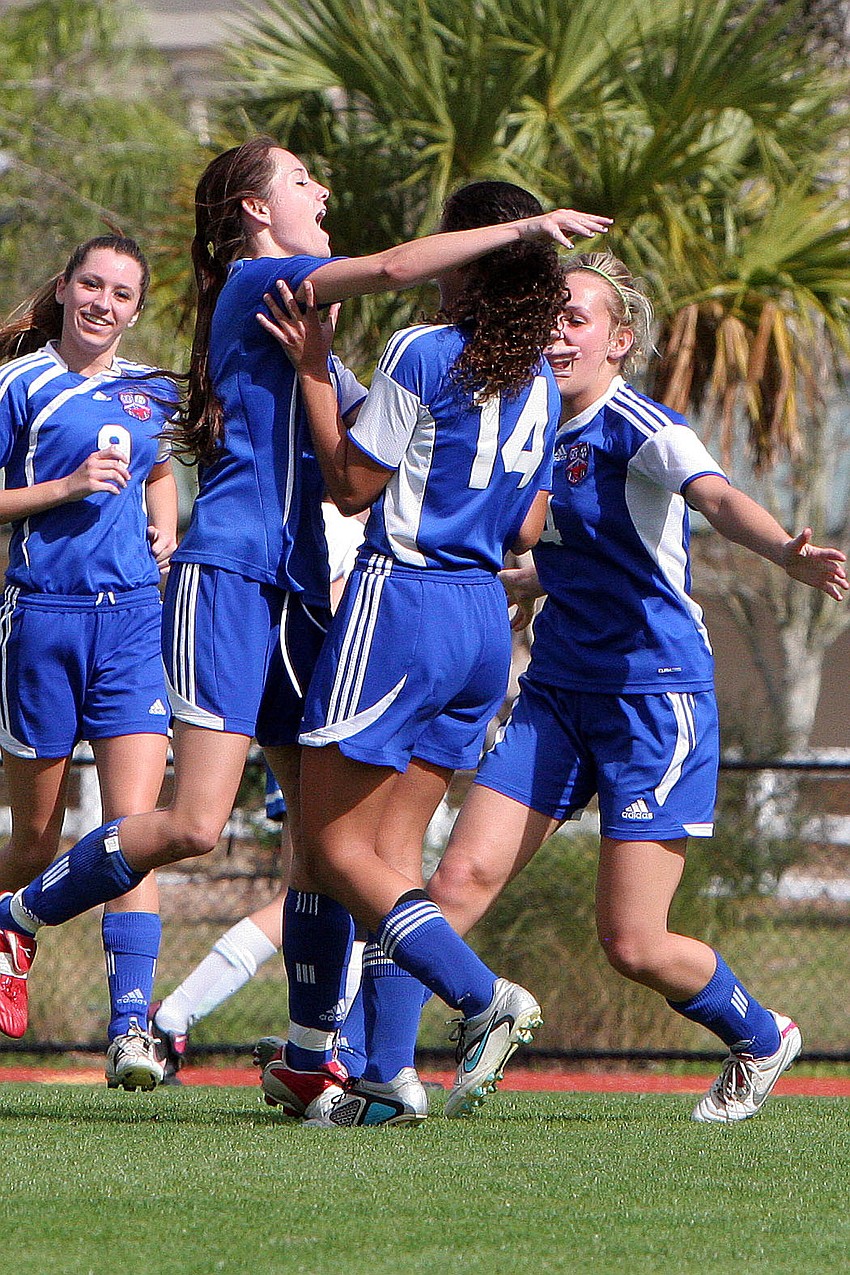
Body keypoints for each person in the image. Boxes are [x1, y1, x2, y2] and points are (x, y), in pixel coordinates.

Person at [0, 138, 611, 1070]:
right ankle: (20, 914)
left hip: (294, 585)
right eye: (298, 179)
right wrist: (524, 228)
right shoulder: (261, 281)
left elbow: (365, 445)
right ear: (253, 211)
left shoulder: (307, 319)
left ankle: (313, 1050)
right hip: (230, 574)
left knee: (322, 843)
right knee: (198, 824)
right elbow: (402, 266)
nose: (321, 188)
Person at [423, 251, 848, 1124]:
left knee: (633, 942)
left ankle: (762, 1034)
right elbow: (566, 557)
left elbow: (718, 498)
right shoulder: (528, 428)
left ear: (620, 341)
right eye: (548, 315)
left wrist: (786, 553)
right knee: (457, 878)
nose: (555, 331)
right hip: (555, 697)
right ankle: (367, 1069)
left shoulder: (642, 425)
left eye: (576, 317)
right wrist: (497, 583)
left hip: (655, 702)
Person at [256, 178, 585, 1127]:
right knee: (393, 855)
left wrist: (317, 369)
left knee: (327, 844)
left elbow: (354, 484)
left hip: (400, 603)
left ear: (471, 259)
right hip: (485, 621)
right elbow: (526, 521)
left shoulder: (424, 349)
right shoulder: (539, 378)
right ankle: (388, 1077)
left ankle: (482, 997)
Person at [0, 235, 178, 1090]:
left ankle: (132, 1026)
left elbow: (159, 463)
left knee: (129, 830)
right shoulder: (21, 383)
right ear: (66, 290)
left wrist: (165, 518)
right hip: (41, 618)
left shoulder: (152, 391)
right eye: (92, 285)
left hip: (134, 624)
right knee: (36, 837)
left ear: (137, 308)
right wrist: (65, 490)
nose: (104, 302)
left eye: (122, 292)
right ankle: (9, 930)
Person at [151, 509, 366, 1082]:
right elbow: (338, 619)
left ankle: (320, 1040)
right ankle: (183, 1016)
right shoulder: (333, 523)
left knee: (323, 890)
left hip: (313, 715)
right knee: (330, 887)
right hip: (317, 718)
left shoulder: (348, 516)